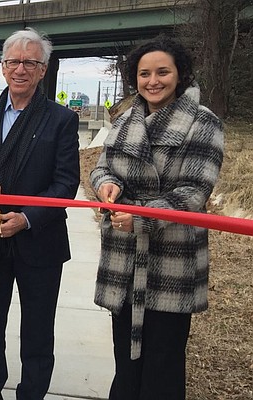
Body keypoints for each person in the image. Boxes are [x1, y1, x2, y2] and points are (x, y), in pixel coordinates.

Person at [90, 37, 224, 399]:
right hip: (124, 255)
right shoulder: (125, 120)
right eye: (144, 73)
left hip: (171, 258)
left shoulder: (202, 122)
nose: (153, 81)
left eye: (162, 72)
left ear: (179, 75)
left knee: (163, 362)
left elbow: (195, 191)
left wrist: (142, 218)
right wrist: (108, 187)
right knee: (125, 359)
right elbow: (101, 169)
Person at [0, 28, 80, 400]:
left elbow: (65, 183)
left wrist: (26, 217)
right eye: (13, 61)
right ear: (2, 66)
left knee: (38, 333)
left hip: (39, 241)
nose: (20, 69)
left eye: (30, 62)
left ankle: (32, 394)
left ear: (43, 70)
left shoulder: (60, 119)